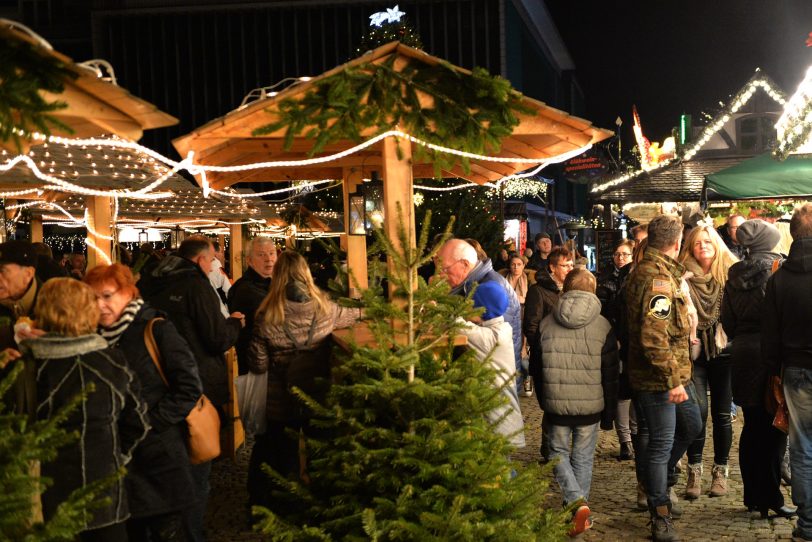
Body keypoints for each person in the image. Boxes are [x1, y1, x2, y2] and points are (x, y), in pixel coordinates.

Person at [20, 278, 149, 541]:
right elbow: (137, 423)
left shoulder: (24, 367)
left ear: (42, 310)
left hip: (42, 501)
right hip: (104, 495)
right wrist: (116, 458)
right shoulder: (112, 362)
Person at [85, 263, 204, 541]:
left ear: (127, 293)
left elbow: (189, 387)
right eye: (93, 298)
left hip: (161, 459)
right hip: (121, 463)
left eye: (107, 295)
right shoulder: (92, 337)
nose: (100, 305)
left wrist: (149, 424)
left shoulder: (155, 328)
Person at [137, 237, 244, 542]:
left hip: (156, 389)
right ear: (200, 260)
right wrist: (235, 325)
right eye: (212, 260)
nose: (214, 265)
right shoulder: (197, 286)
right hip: (195, 389)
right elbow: (216, 338)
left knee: (166, 469)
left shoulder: (151, 282)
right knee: (197, 469)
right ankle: (191, 532)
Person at [246, 250, 361, 509]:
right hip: (317, 393)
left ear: (277, 276)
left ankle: (277, 508)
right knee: (320, 452)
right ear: (306, 273)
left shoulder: (266, 315)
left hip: (280, 400)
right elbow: (356, 315)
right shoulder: (325, 309)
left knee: (278, 454)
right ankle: (321, 507)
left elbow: (258, 363)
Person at [626, 214, 701, 542]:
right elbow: (653, 337)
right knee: (660, 445)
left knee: (692, 425)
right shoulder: (657, 279)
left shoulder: (661, 273)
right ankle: (659, 512)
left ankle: (657, 481)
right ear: (677, 242)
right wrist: (672, 380)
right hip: (658, 379)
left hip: (675, 374)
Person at [720, 220, 796, 519]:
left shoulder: (734, 274)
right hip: (769, 352)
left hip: (741, 352)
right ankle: (773, 496)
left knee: (751, 426)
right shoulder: (778, 270)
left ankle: (753, 495)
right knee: (776, 427)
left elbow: (726, 319)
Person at [539, 268, 618, 536]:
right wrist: (610, 413)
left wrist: (543, 399)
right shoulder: (604, 325)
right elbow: (610, 375)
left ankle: (575, 506)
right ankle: (578, 506)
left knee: (555, 453)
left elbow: (538, 369)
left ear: (565, 288)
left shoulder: (546, 322)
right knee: (583, 458)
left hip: (556, 404)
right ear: (593, 291)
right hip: (591, 406)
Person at [763, 203, 812, 542]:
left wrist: (773, 373)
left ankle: (808, 525)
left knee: (804, 447)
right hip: (795, 367)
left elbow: (771, 335)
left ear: (792, 234)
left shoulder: (779, 278)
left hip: (795, 369)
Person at [680, 223, 738, 499]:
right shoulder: (683, 277)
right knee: (697, 413)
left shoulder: (729, 276)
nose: (703, 246)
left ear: (717, 246)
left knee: (723, 414)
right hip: (694, 353)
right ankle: (694, 471)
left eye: (708, 242)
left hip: (723, 351)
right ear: (690, 247)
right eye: (697, 243)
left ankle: (720, 472)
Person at [435, 239, 523, 391]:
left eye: (445, 269)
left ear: (464, 264)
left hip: (493, 388)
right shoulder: (475, 284)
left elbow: (459, 325)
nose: (441, 274)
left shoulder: (490, 286)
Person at [456, 281, 525, 449]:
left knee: (501, 468)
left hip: (498, 419)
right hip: (503, 415)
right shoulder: (502, 329)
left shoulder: (490, 338)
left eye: (471, 305)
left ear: (482, 310)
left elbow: (455, 324)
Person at [597, 239, 635, 460]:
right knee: (622, 392)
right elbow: (603, 309)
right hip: (614, 340)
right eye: (617, 254)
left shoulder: (637, 279)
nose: (620, 258)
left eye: (625, 254)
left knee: (634, 392)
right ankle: (626, 441)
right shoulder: (605, 280)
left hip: (632, 342)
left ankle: (636, 434)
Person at [228, 237, 277, 374]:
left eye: (272, 253)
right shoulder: (246, 289)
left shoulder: (269, 283)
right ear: (249, 260)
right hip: (255, 365)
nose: (268, 259)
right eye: (261, 255)